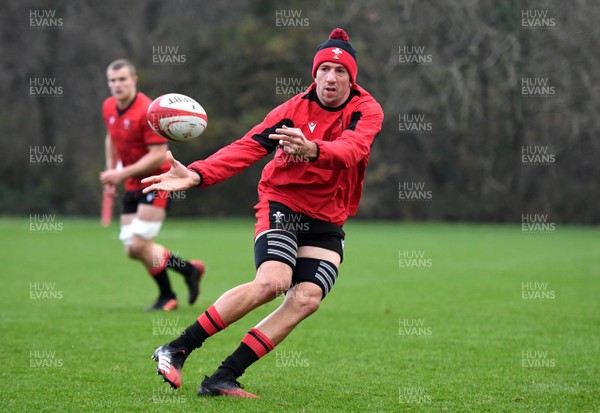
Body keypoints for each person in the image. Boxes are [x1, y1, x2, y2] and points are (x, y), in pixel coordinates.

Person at [145, 28, 384, 397]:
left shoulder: (366, 110)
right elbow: (247, 147)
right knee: (274, 282)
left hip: (327, 216)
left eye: (341, 73)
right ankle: (177, 348)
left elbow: (352, 150)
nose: (331, 78)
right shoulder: (291, 111)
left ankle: (222, 378)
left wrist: (313, 149)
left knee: (306, 298)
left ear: (352, 80)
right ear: (314, 74)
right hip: (283, 203)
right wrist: (196, 173)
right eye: (324, 70)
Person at [100, 59, 205, 311]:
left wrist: (121, 172)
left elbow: (158, 155)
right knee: (132, 249)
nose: (117, 85)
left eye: (123, 79)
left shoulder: (148, 111)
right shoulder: (109, 107)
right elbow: (112, 139)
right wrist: (112, 173)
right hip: (131, 184)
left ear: (134, 80)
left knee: (139, 244)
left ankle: (168, 295)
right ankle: (189, 270)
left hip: (157, 182)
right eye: (112, 80)